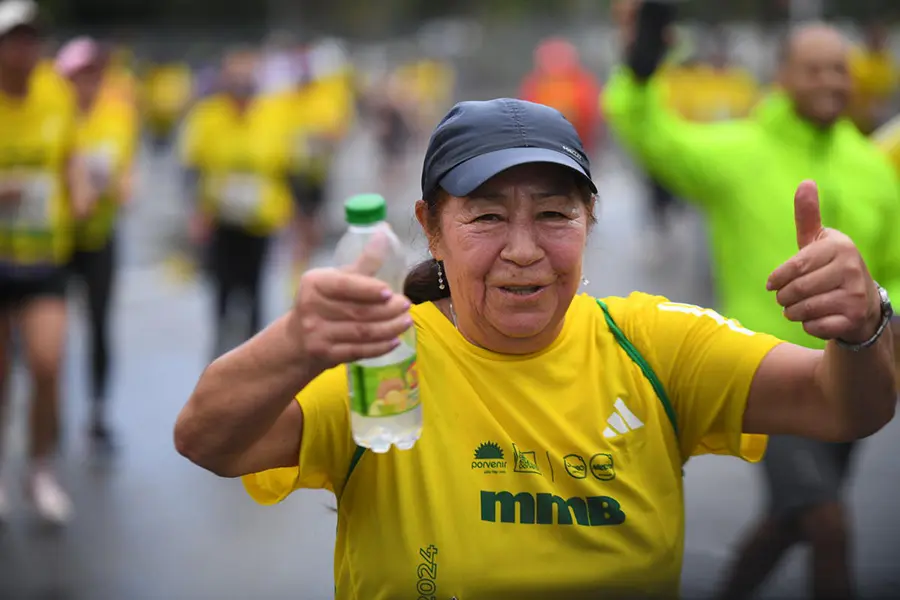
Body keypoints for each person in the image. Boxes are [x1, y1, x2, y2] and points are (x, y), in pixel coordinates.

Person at [175, 94, 896, 598]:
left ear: (589, 219)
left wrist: (865, 324)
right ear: (430, 227)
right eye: (486, 217)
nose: (524, 251)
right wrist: (297, 342)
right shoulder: (385, 362)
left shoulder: (654, 344)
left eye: (554, 214)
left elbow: (842, 407)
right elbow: (208, 439)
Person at [603, 3, 900, 598]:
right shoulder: (738, 151)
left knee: (795, 520)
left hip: (852, 369)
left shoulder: (871, 167)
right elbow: (649, 134)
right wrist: (639, 71)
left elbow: (892, 269)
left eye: (840, 70)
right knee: (829, 524)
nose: (830, 83)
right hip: (765, 368)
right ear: (782, 77)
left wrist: (880, 323)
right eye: (814, 70)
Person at [0, 0, 93, 524]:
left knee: (47, 363)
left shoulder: (55, 93)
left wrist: (78, 191)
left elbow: (70, 156)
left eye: (32, 38)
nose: (26, 49)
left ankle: (40, 470)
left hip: (43, 258)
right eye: (15, 39)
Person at [179, 48, 293, 359]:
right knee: (222, 295)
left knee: (255, 295)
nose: (242, 91)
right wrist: (196, 214)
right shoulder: (208, 116)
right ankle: (219, 360)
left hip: (260, 221)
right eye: (236, 82)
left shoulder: (273, 114)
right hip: (221, 221)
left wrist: (288, 210)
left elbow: (287, 167)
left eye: (247, 82)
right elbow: (191, 168)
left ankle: (254, 363)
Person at [56, 37, 139, 452]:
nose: (87, 84)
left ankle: (98, 412)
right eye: (79, 76)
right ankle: (44, 410)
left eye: (95, 75)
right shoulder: (53, 116)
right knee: (44, 334)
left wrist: (122, 186)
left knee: (99, 326)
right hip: (52, 240)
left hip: (99, 237)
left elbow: (126, 176)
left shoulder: (117, 116)